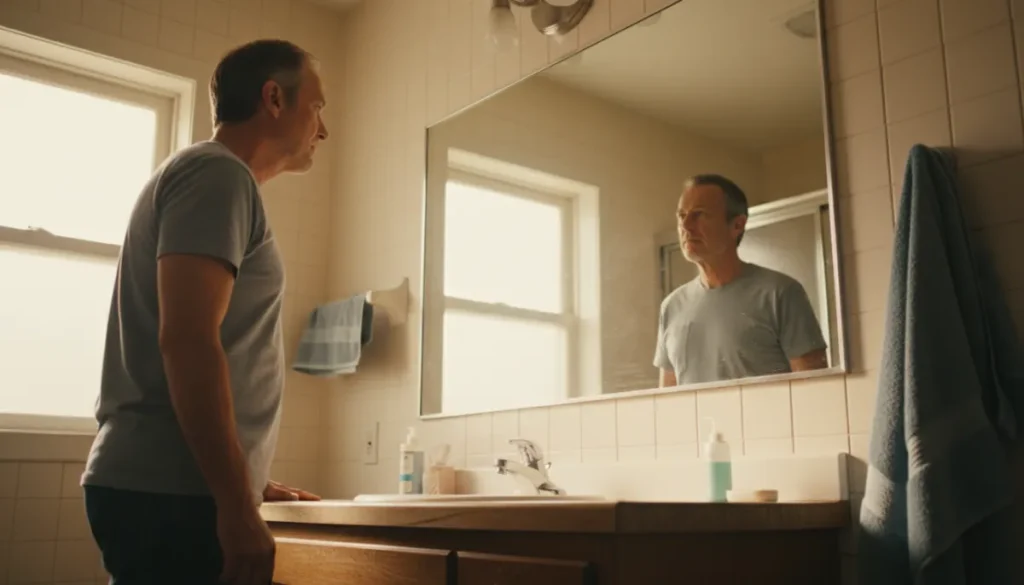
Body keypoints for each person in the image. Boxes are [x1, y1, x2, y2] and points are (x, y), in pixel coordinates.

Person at [81, 39, 328, 585]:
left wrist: (245, 477)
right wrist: (235, 503)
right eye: (318, 107)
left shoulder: (208, 177)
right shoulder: (219, 174)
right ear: (274, 99)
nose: (324, 129)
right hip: (173, 495)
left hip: (172, 488)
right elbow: (188, 339)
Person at [655, 174, 828, 387]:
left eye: (699, 215)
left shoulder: (780, 293)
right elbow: (668, 400)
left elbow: (817, 389)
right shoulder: (671, 306)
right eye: (682, 216)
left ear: (737, 225)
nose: (686, 226)